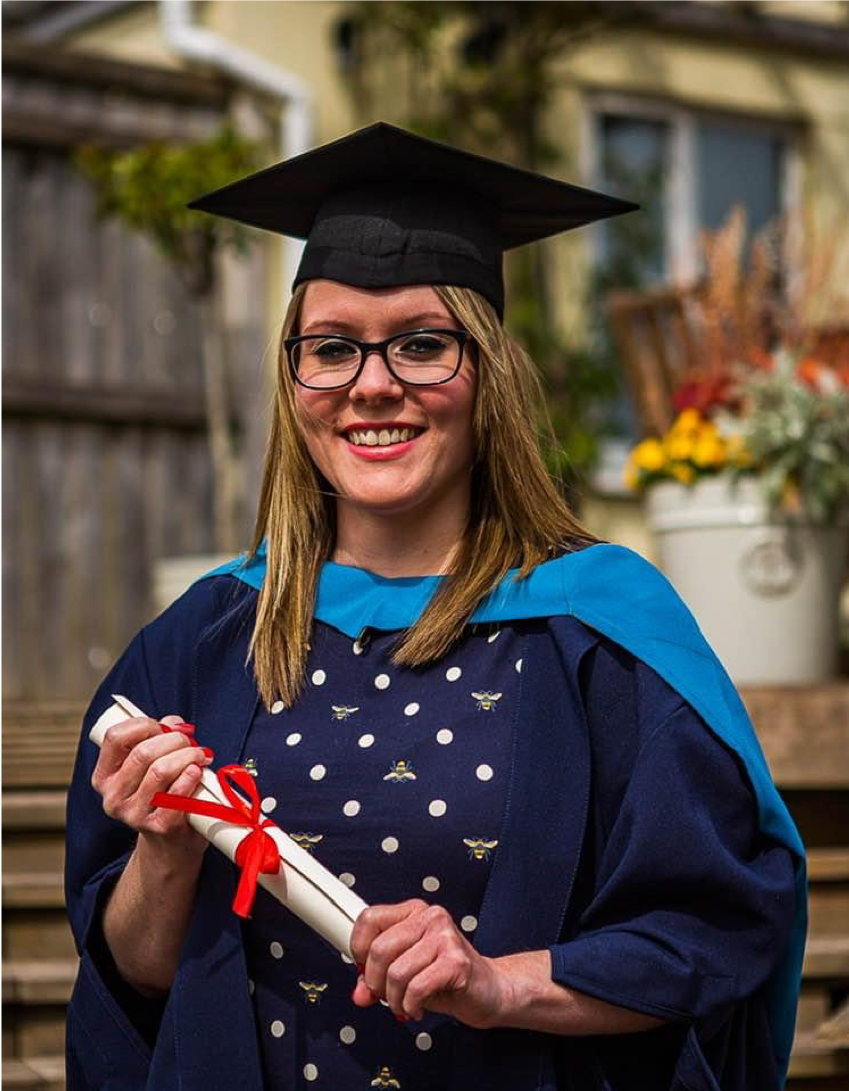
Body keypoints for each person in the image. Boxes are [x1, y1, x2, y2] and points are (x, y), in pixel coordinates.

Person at [64, 123, 805, 1091]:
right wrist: (165, 851)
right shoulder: (202, 640)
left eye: (422, 344)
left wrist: (498, 981)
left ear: (488, 367)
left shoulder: (601, 632)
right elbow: (138, 981)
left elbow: (709, 930)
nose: (373, 384)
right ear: (292, 381)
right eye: (330, 349)